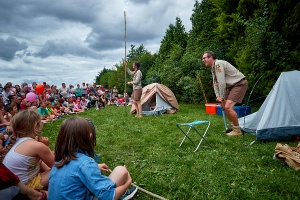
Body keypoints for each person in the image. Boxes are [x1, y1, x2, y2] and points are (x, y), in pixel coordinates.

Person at [48, 117, 137, 200]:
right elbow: (108, 196)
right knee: (121, 171)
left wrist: (96, 166)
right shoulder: (86, 164)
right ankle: (124, 193)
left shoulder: (59, 160)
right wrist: (128, 182)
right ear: (90, 136)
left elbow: (73, 171)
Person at [3, 109, 55, 191]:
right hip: (25, 188)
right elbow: (57, 164)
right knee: (62, 169)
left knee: (42, 162)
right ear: (36, 126)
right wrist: (46, 146)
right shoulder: (37, 146)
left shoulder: (18, 140)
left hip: (14, 186)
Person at [202, 50, 248, 136]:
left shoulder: (218, 64)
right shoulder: (213, 68)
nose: (202, 60)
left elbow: (221, 82)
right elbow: (215, 83)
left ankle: (238, 131)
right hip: (232, 86)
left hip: (239, 83)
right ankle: (233, 127)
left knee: (228, 106)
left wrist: (222, 96)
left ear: (211, 58)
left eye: (204, 58)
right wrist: (218, 96)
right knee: (223, 105)